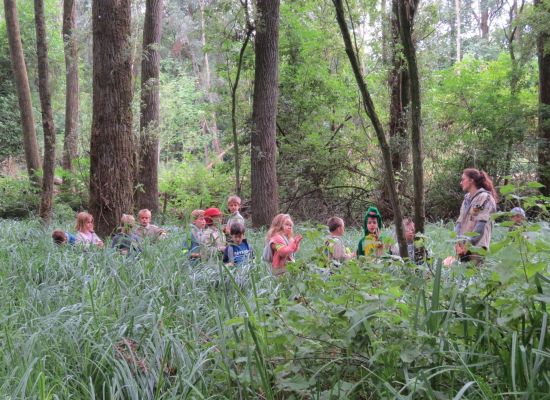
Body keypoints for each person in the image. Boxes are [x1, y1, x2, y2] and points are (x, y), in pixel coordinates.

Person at [454, 168, 498, 261]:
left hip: (477, 246)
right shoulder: (466, 199)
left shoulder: (485, 197)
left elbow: (481, 225)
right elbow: (459, 223)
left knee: (474, 274)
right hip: (462, 247)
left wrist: (469, 244)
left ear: (471, 180)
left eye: (463, 179)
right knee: (461, 275)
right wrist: (458, 243)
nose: (461, 182)